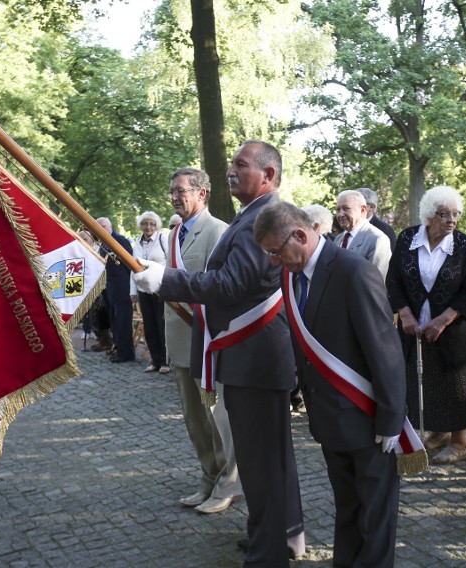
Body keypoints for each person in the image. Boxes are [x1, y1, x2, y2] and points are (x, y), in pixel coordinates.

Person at [133, 140, 306, 565]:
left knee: (262, 459)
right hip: (254, 356)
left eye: (241, 164)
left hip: (257, 357)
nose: (230, 170)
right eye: (230, 163)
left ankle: (272, 548)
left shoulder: (260, 219)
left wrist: (166, 279)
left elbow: (231, 285)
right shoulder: (251, 216)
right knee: (265, 456)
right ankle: (279, 536)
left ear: (268, 175)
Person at [254, 201, 406, 568]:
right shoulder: (292, 273)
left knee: (376, 516)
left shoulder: (355, 272)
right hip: (329, 418)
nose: (275, 261)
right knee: (347, 508)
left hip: (368, 419)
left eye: (276, 252)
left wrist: (390, 421)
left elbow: (385, 351)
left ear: (302, 235)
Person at [164, 166, 241, 515]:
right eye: (173, 191)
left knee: (216, 417)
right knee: (194, 420)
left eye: (182, 191)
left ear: (202, 194)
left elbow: (220, 289)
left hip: (208, 341)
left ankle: (229, 484)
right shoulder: (173, 233)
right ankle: (208, 477)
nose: (176, 197)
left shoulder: (219, 232)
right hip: (180, 340)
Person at [386, 185, 466, 464]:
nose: (451, 220)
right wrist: (405, 315)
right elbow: (394, 281)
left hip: (451, 331)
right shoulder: (407, 239)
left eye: (455, 214)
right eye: (444, 214)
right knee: (422, 380)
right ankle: (439, 433)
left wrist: (443, 320)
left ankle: (460, 441)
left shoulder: (462, 245)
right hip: (412, 329)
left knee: (454, 382)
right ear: (429, 215)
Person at [130, 211, 170, 373]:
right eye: (145, 223)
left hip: (160, 288)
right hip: (143, 290)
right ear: (141, 225)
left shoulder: (162, 239)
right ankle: (155, 360)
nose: (148, 227)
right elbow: (133, 268)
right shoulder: (137, 242)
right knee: (150, 326)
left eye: (152, 224)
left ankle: (167, 361)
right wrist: (132, 291)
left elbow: (171, 262)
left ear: (157, 226)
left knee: (162, 325)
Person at [97, 217, 135, 363]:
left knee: (123, 321)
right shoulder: (103, 243)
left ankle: (126, 354)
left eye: (103, 226)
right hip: (109, 287)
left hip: (122, 287)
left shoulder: (119, 239)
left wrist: (132, 288)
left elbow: (129, 264)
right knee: (114, 321)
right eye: (97, 227)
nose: (100, 229)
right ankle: (119, 349)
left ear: (110, 226)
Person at [334, 189, 391, 282]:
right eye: (338, 209)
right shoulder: (338, 239)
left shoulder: (378, 239)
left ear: (363, 210)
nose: (340, 214)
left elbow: (375, 285)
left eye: (346, 208)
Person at [356, 187, 397, 253]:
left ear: (371, 207)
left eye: (357, 205)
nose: (353, 208)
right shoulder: (347, 227)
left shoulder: (384, 229)